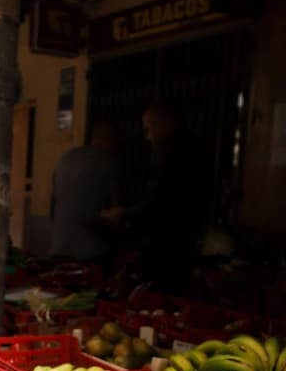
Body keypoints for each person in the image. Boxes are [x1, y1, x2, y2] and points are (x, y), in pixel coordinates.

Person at [124, 103, 208, 293]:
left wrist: (127, 215)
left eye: (148, 129)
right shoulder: (186, 149)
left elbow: (158, 199)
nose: (147, 137)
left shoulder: (172, 154)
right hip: (179, 242)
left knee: (161, 293)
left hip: (167, 245)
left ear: (162, 125)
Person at [49, 122, 124, 274]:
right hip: (93, 250)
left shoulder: (66, 157)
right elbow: (116, 209)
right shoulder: (108, 160)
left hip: (59, 246)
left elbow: (54, 200)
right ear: (112, 139)